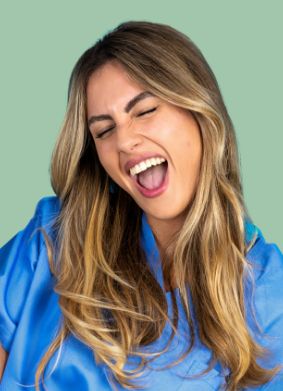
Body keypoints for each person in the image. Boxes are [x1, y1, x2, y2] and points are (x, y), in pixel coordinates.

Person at [0, 20, 283, 391]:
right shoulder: (50, 241)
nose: (125, 141)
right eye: (103, 130)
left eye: (145, 110)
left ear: (199, 110)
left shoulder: (268, 293)